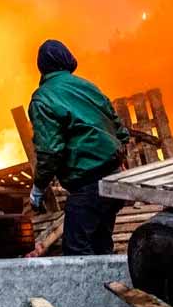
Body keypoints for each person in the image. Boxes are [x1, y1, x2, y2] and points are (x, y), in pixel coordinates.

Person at [28, 39, 129, 255]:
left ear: (42, 67)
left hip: (88, 185)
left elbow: (50, 150)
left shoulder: (43, 98)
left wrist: (38, 186)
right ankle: (110, 286)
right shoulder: (87, 86)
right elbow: (119, 128)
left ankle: (91, 288)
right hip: (114, 179)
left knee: (76, 252)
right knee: (102, 244)